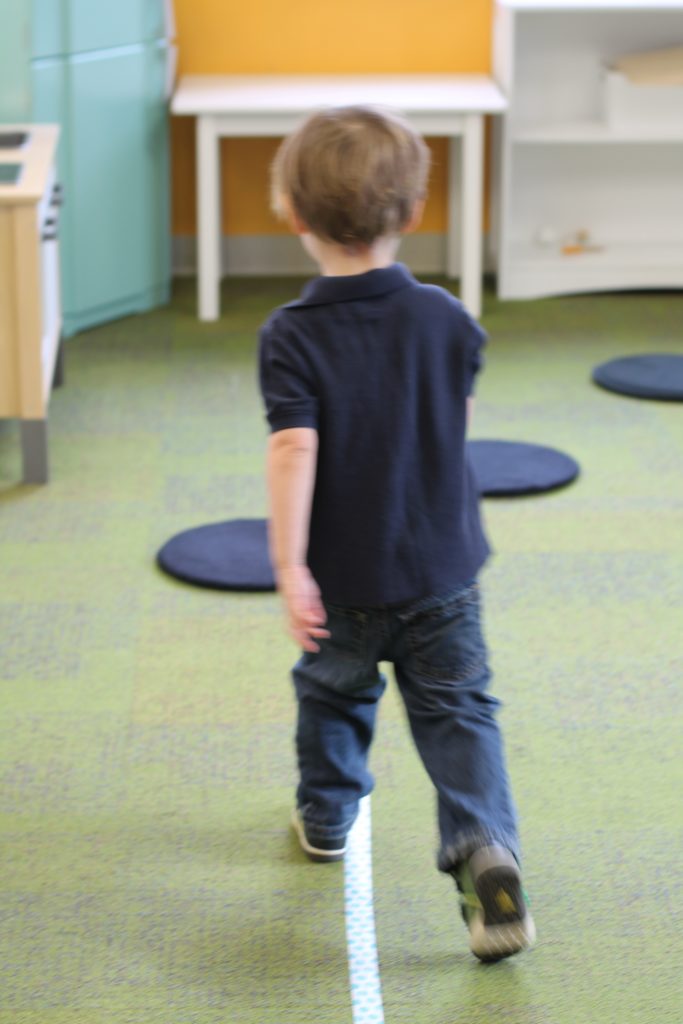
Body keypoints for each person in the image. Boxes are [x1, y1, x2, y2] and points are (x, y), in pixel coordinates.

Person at [257, 105, 535, 962]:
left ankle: (327, 817)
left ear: (293, 216)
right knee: (458, 712)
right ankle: (483, 848)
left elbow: (294, 449)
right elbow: (454, 428)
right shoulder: (448, 318)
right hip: (442, 574)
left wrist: (288, 565)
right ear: (412, 212)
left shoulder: (290, 334)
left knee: (333, 696)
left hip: (342, 582)